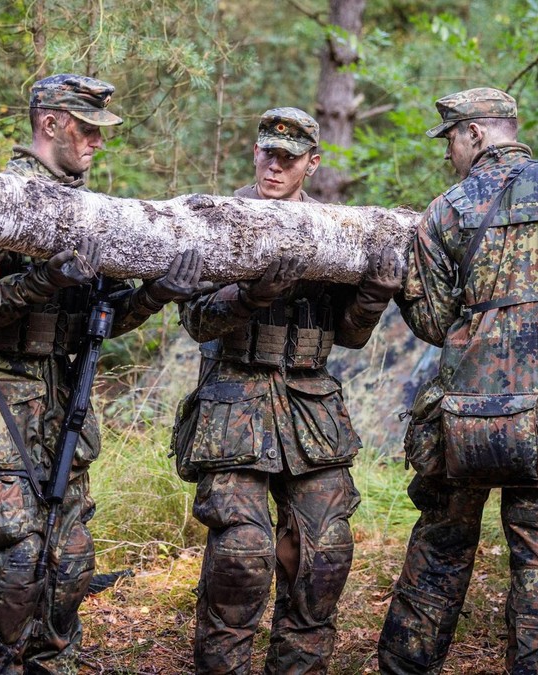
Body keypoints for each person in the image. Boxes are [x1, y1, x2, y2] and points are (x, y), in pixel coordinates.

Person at [378, 87, 538, 675]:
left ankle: (404, 667)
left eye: (451, 140)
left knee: (440, 548)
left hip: (465, 418)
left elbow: (432, 321)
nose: (449, 154)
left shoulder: (443, 211)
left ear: (474, 134)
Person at [0, 73, 204, 674]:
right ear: (49, 124)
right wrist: (41, 280)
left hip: (62, 399)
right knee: (15, 560)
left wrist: (153, 295)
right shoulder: (1, 198)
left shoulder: (95, 212)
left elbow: (99, 321)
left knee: (71, 565)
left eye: (101, 131)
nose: (98, 141)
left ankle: (54, 664)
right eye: (86, 128)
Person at [172, 106, 404, 674]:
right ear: (255, 153)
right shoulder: (220, 218)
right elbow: (196, 321)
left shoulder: (337, 232)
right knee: (242, 557)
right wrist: (249, 297)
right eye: (267, 155)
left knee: (323, 555)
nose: (275, 167)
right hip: (234, 404)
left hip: (311, 412)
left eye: (289, 159)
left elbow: (347, 335)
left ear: (313, 164)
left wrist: (373, 295)